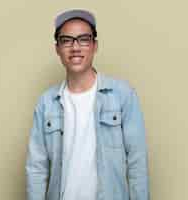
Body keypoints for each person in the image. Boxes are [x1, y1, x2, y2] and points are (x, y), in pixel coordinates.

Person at [26, 9, 149, 200]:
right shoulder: (46, 103)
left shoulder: (122, 95)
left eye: (84, 39)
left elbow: (137, 163)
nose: (75, 47)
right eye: (66, 40)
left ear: (94, 45)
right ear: (57, 48)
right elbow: (36, 168)